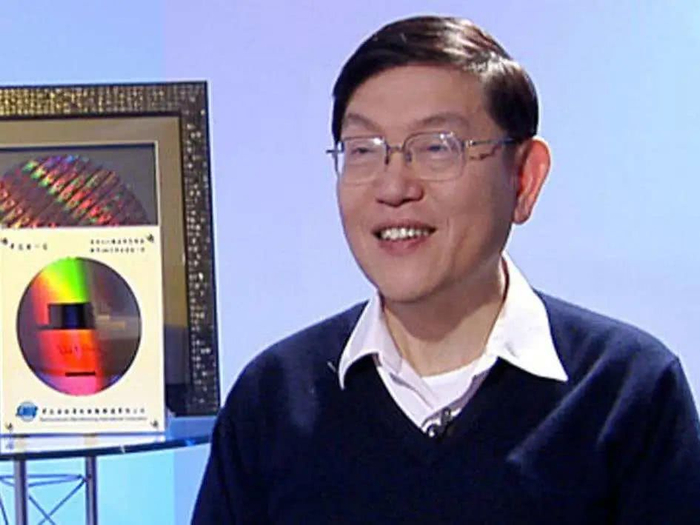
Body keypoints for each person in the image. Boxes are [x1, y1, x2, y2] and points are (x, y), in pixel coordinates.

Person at [193, 15, 700, 524]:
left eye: (437, 147)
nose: (394, 187)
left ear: (524, 178)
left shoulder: (626, 390)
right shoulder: (274, 399)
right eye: (363, 151)